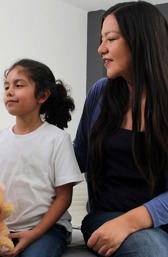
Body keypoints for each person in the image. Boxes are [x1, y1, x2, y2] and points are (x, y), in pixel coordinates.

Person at [73, 1, 168, 257]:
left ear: (141, 41)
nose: (100, 48)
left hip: (157, 218)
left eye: (110, 39)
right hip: (108, 216)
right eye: (101, 38)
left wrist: (131, 221)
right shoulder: (100, 93)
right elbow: (78, 156)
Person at [0, 58, 84, 257]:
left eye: (18, 85)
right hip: (2, 229)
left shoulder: (57, 140)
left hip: (47, 230)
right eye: (6, 86)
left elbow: (64, 196)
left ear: (42, 96)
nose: (9, 91)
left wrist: (34, 233)